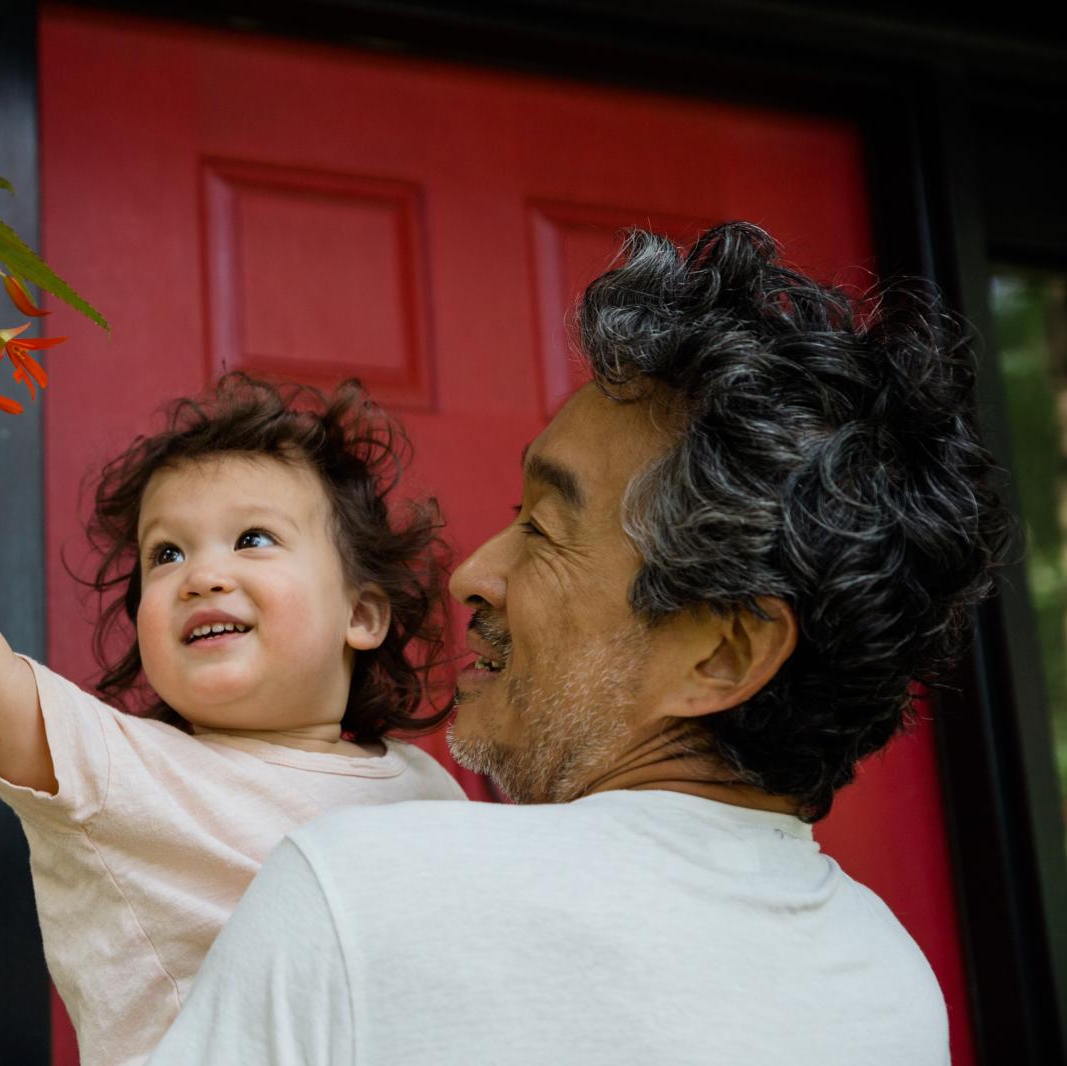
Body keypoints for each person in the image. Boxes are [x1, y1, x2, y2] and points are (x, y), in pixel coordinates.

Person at [147, 221, 1011, 1066]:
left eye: (546, 528)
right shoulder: (887, 981)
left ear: (723, 654)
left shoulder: (361, 891)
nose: (472, 575)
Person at [0, 347, 466, 1065]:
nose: (202, 576)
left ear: (363, 615)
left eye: (253, 538)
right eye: (167, 555)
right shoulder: (125, 775)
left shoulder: (424, 788)